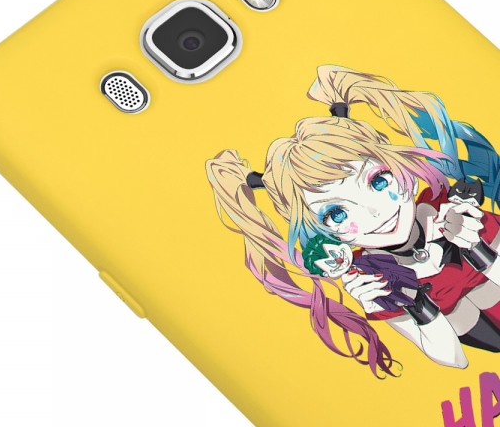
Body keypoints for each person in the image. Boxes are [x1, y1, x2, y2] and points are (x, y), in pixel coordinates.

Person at [206, 65, 500, 377]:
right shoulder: (373, 277)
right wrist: (408, 305)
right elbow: (455, 360)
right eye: (337, 214)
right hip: (474, 331)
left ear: (407, 173)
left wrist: (477, 248)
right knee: (464, 313)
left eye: (378, 181)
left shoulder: (452, 208)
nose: (374, 213)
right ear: (322, 234)